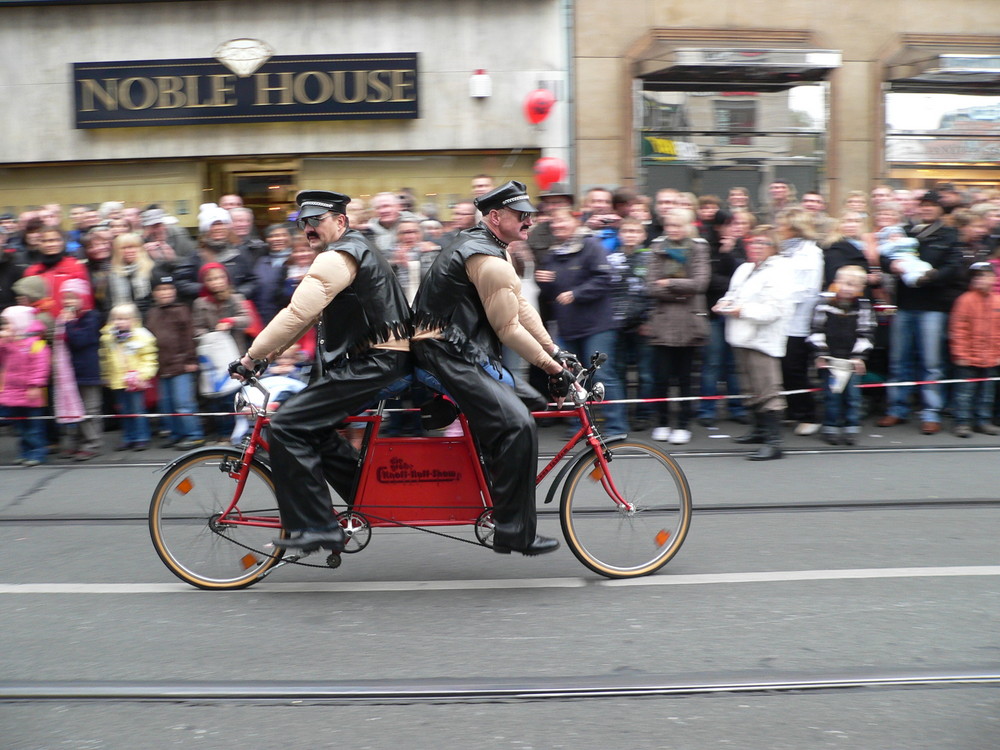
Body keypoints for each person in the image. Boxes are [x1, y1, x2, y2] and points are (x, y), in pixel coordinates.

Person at [231, 189, 413, 554]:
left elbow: (297, 313)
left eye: (317, 221)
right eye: (304, 223)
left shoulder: (341, 255)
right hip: (377, 360)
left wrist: (250, 358)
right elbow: (309, 315)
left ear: (341, 222)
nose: (308, 229)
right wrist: (272, 354)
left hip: (374, 363)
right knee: (315, 427)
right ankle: (367, 492)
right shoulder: (351, 250)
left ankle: (319, 528)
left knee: (286, 427)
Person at [411, 180, 574, 556]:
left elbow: (520, 307)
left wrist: (554, 350)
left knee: (517, 410)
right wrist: (552, 369)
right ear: (496, 216)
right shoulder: (485, 257)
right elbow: (509, 328)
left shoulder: (490, 247)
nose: (530, 221)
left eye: (530, 215)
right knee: (518, 424)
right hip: (445, 353)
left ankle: (495, 493)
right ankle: (513, 531)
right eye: (522, 215)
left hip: (458, 349)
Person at [536, 208, 629, 437]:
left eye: (563, 221)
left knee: (603, 376)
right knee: (572, 379)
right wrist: (544, 282)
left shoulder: (591, 246)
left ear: (575, 222)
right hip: (568, 326)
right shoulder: (553, 254)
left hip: (597, 325)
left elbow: (605, 278)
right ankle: (579, 427)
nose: (558, 226)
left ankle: (616, 426)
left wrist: (576, 293)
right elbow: (550, 291)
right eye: (554, 223)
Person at [878, 190, 963, 434]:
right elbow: (885, 254)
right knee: (898, 361)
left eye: (931, 206)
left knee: (931, 363)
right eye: (923, 205)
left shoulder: (949, 234)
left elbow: (954, 265)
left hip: (933, 306)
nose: (926, 209)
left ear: (940, 209)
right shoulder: (904, 230)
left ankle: (931, 412)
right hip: (904, 303)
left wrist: (934, 276)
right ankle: (896, 409)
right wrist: (890, 264)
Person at [714, 227, 794, 460]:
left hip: (763, 338)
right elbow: (733, 293)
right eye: (752, 241)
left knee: (767, 389)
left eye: (762, 242)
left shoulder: (781, 269)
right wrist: (724, 304)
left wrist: (741, 311)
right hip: (740, 335)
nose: (755, 246)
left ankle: (774, 441)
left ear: (774, 246)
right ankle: (759, 430)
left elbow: (775, 308)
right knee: (750, 388)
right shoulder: (745, 268)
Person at [645, 209, 710, 445]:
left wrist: (670, 283)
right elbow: (651, 287)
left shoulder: (698, 248)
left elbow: (700, 283)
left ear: (687, 226)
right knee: (660, 378)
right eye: (669, 225)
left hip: (689, 323)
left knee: (685, 377)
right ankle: (661, 422)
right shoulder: (657, 248)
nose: (672, 230)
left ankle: (683, 424)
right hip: (662, 323)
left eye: (677, 225)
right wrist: (682, 291)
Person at [806, 265, 876, 445]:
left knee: (853, 396)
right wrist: (821, 353)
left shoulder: (864, 307)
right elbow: (816, 330)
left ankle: (851, 428)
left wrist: (859, 357)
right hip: (830, 359)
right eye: (842, 283)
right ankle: (831, 427)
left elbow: (866, 333)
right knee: (832, 395)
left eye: (852, 284)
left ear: (860, 289)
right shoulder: (824, 304)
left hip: (851, 360)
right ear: (835, 283)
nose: (846, 287)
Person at [775, 207, 824, 436]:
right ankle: (792, 410)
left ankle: (809, 414)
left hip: (797, 322)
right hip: (779, 320)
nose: (778, 228)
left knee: (794, 369)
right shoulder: (782, 251)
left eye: (782, 225)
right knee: (782, 370)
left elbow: (807, 291)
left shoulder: (811, 253)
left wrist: (778, 297)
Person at [193, 263, 251, 444]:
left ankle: (239, 432)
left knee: (234, 395)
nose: (215, 282)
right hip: (212, 357)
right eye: (210, 279)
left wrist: (230, 321)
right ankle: (223, 433)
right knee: (216, 397)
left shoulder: (235, 298)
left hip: (235, 353)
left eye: (219, 278)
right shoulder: (200, 303)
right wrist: (206, 334)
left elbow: (247, 319)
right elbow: (196, 327)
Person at [145, 275, 205, 450]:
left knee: (183, 403)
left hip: (181, 365)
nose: (165, 293)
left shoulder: (181, 309)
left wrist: (190, 359)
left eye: (169, 289)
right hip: (162, 366)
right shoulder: (152, 313)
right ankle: (176, 434)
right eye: (160, 289)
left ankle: (194, 435)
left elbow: (188, 337)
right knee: (167, 404)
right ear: (154, 293)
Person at [949, 262, 1000, 438]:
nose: (980, 279)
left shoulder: (997, 300)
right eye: (976, 276)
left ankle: (983, 421)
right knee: (965, 393)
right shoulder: (965, 300)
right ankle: (962, 422)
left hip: (991, 357)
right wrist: (960, 354)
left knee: (987, 392)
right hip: (968, 357)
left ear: (993, 278)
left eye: (984, 275)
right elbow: (957, 330)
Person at [99, 302, 157, 451]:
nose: (120, 322)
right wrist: (105, 375)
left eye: (124, 319)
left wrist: (143, 375)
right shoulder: (108, 338)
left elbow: (149, 358)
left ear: (133, 320)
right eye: (116, 319)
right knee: (124, 411)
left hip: (135, 381)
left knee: (137, 410)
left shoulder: (142, 336)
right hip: (117, 380)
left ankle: (141, 437)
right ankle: (128, 437)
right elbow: (104, 358)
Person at [56, 278, 104, 460]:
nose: (69, 302)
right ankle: (75, 442)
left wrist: (68, 324)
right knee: (73, 409)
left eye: (73, 298)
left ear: (83, 299)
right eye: (66, 298)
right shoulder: (65, 320)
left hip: (88, 372)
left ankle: (92, 443)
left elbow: (79, 341)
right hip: (70, 373)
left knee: (90, 410)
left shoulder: (91, 317)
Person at [0, 305, 51, 466]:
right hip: (13, 392)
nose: (6, 327)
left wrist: (35, 385)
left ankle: (38, 452)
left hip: (31, 393)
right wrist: (3, 340)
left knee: (34, 426)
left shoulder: (36, 344)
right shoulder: (9, 343)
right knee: (21, 427)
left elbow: (41, 367)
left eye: (9, 323)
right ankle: (25, 451)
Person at [108, 232, 155, 317]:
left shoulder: (152, 269)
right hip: (123, 320)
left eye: (133, 247)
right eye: (123, 248)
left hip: (149, 318)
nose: (128, 251)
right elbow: (108, 305)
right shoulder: (112, 274)